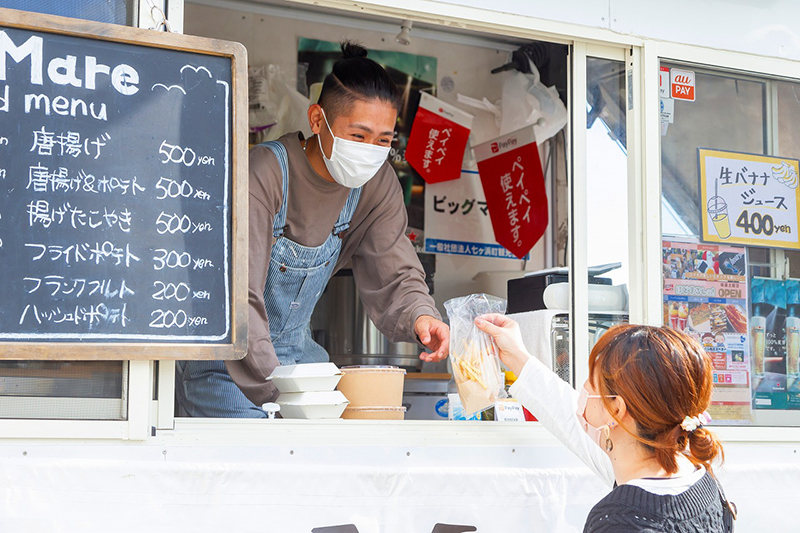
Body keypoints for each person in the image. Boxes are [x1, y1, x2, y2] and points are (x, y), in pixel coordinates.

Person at [176, 42, 450, 417]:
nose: (372, 150)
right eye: (359, 135)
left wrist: (422, 315)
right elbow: (240, 297)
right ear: (318, 120)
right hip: (230, 367)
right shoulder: (265, 174)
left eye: (384, 140)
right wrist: (282, 396)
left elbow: (395, 264)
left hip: (302, 364)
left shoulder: (376, 183)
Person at [476, 316, 732, 532]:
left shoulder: (621, 521)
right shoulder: (698, 478)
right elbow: (566, 415)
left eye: (591, 383)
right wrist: (517, 356)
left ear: (617, 409)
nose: (582, 390)